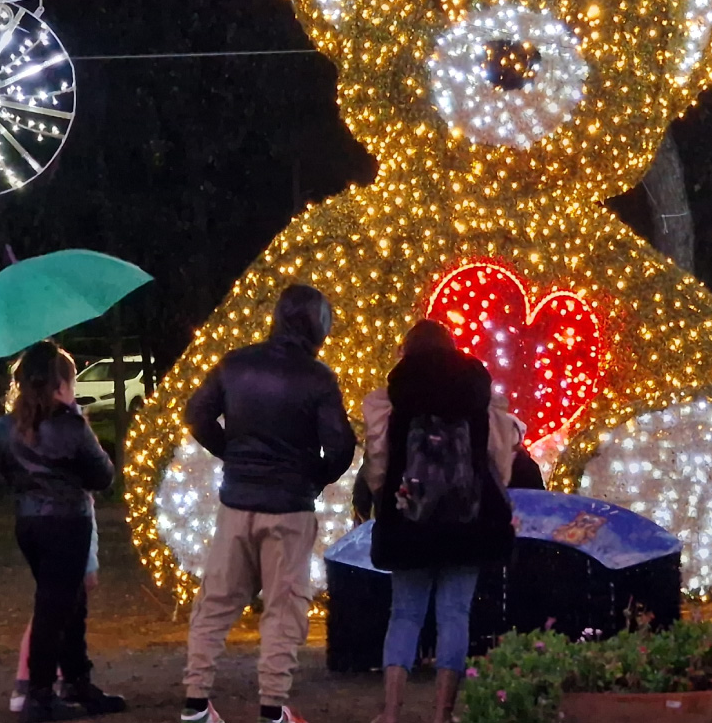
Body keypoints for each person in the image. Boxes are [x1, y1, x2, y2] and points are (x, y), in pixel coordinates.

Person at [179, 285, 357, 723]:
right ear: (317, 325)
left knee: (216, 602)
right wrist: (314, 476)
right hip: (290, 509)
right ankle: (273, 708)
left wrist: (232, 454)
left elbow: (196, 412)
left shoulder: (235, 364)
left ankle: (196, 703)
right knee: (284, 608)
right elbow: (340, 446)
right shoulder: (317, 378)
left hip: (237, 501)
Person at [367, 320, 517, 723]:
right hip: (467, 519)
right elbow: (499, 454)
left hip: (409, 517)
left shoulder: (394, 393)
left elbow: (378, 458)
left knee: (405, 613)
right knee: (455, 614)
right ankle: (441, 714)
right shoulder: (476, 389)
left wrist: (383, 495)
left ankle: (392, 713)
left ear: (407, 349)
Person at [0, 341, 126, 722]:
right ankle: (41, 694)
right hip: (66, 520)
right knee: (57, 608)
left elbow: (2, 469)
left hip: (30, 520)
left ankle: (74, 680)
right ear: (60, 385)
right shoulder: (69, 425)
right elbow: (102, 475)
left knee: (65, 603)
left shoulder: (7, 426)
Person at [10, 505, 99, 713]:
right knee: (55, 607)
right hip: (65, 514)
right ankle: (38, 686)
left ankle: (59, 681)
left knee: (55, 603)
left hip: (39, 513)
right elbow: (96, 477)